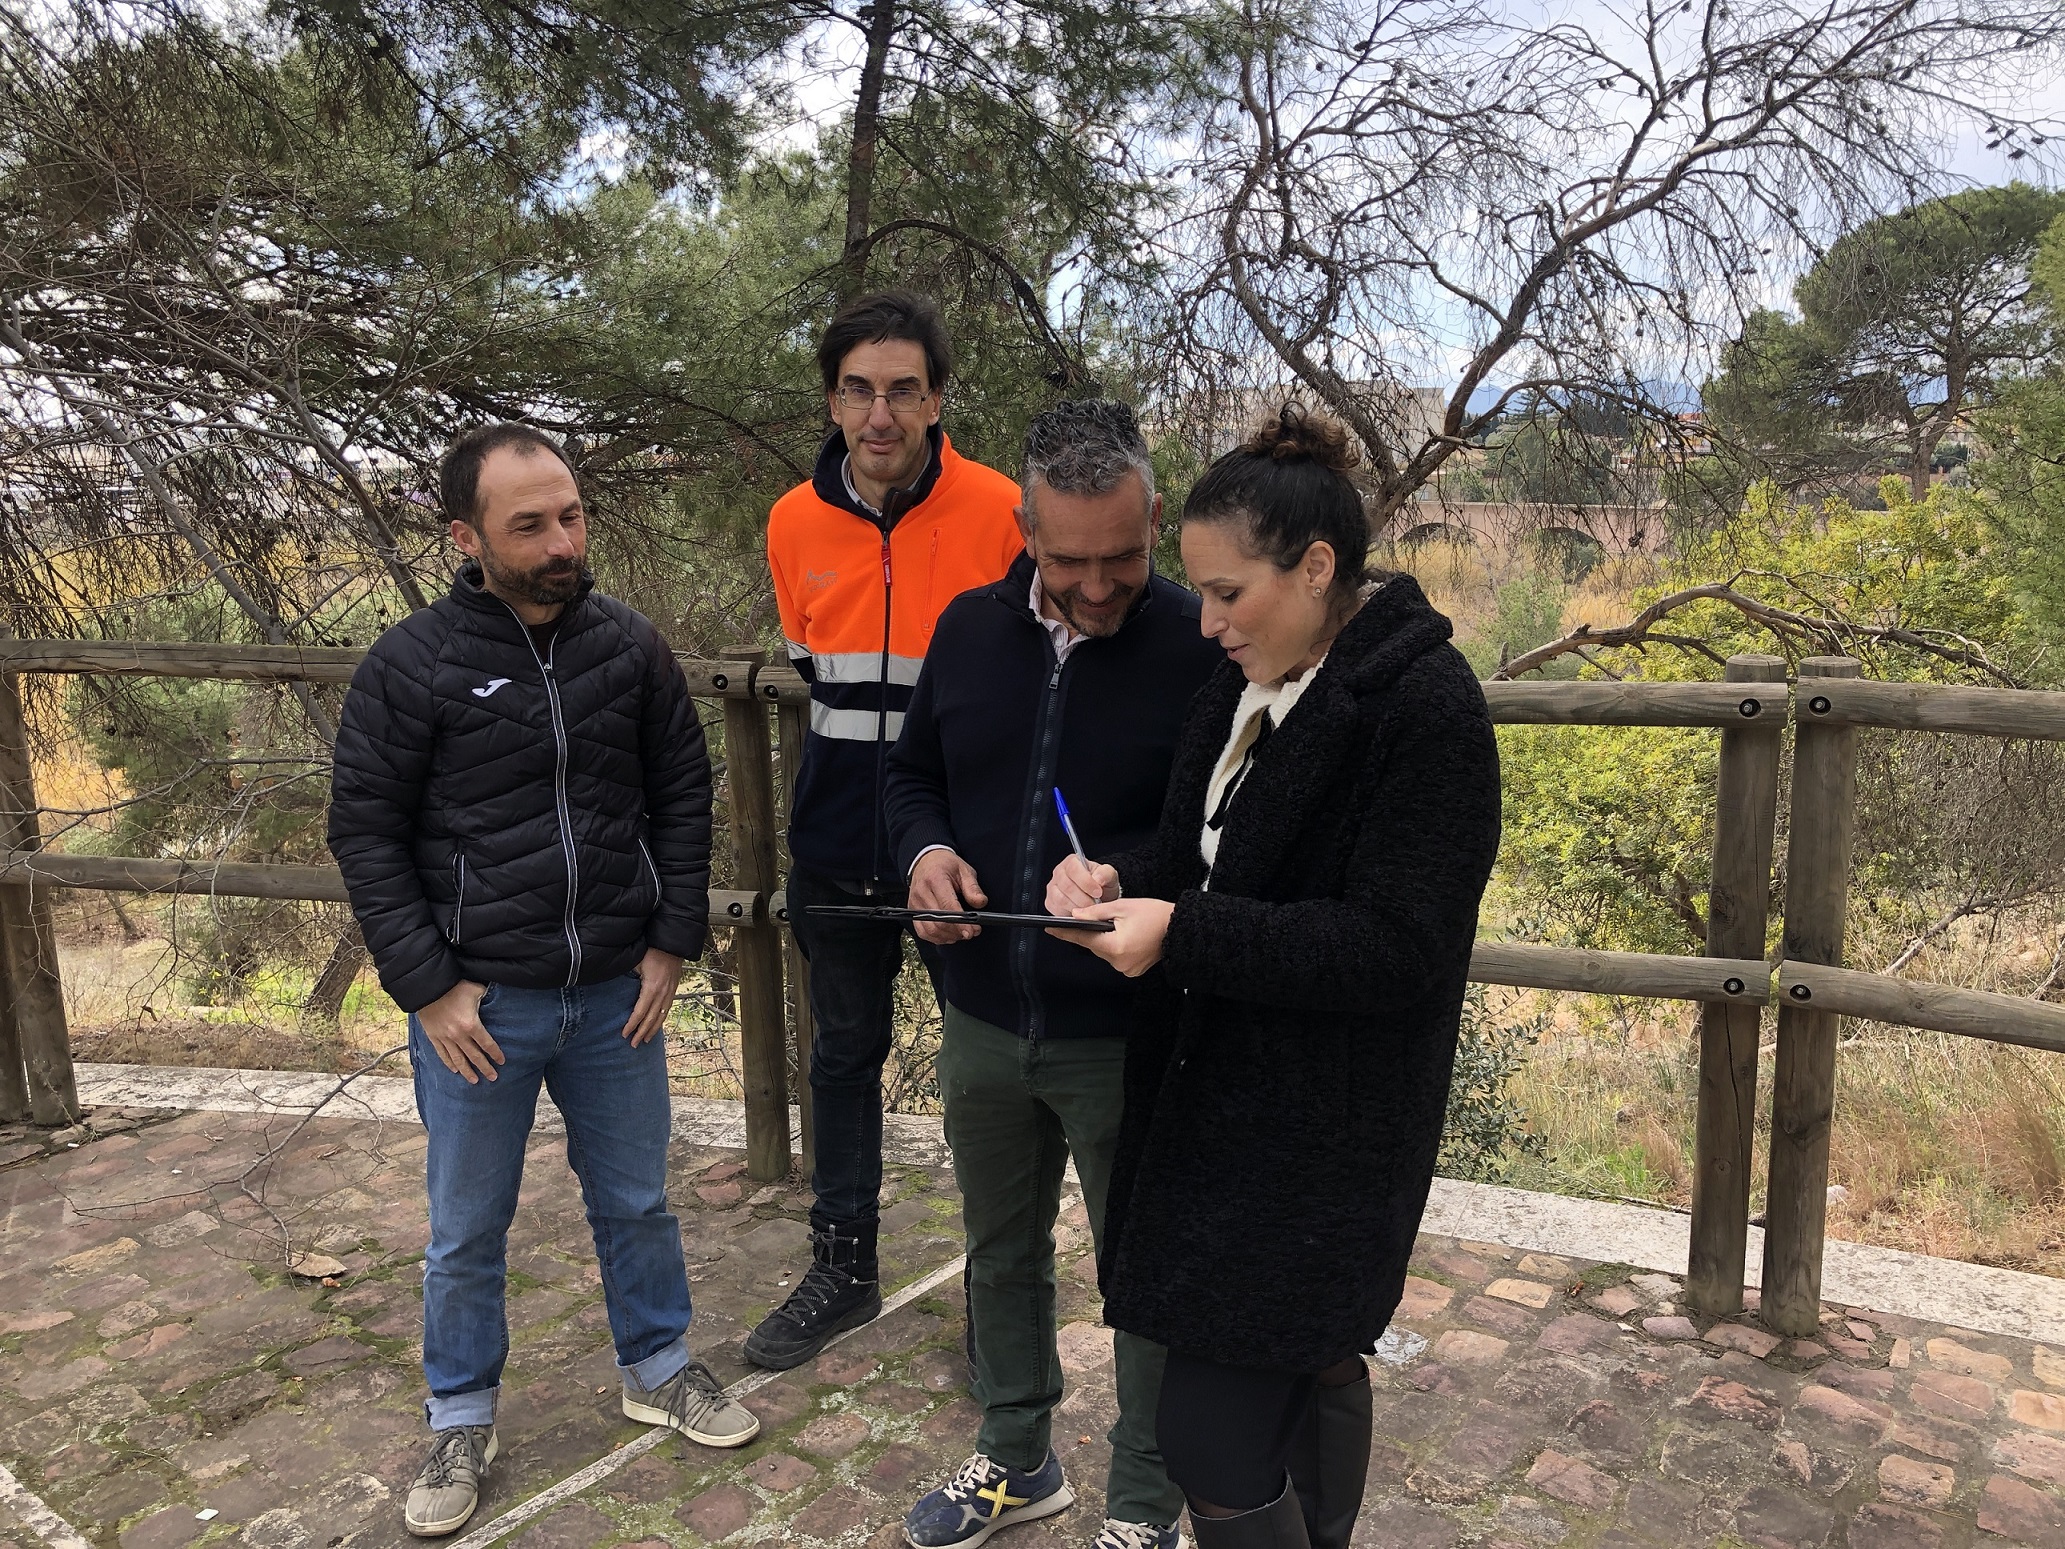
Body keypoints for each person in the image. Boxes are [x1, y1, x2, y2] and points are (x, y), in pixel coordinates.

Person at [1046, 405, 1501, 1549]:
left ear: (1315, 566)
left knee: (1206, 1436)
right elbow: (1200, 857)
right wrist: (1111, 879)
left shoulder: (1425, 710)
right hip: (1209, 1114)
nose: (1203, 624)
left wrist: (1182, 936)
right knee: (1292, 1384)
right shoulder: (1246, 681)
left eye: (1226, 592)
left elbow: (1395, 947)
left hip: (1322, 1139)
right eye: (1196, 592)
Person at [329, 423, 760, 1540]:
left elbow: (683, 792)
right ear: (468, 536)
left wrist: (671, 941)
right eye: (531, 523)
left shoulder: (630, 647)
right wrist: (427, 987)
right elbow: (366, 834)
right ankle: (461, 1413)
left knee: (637, 1199)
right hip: (480, 1006)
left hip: (617, 992)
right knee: (465, 1227)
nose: (563, 539)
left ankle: (658, 1365)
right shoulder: (410, 665)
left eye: (570, 513)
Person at [884, 400, 1223, 1549]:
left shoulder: (1199, 646)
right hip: (980, 1012)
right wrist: (926, 853)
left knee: (1142, 1275)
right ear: (1024, 525)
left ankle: (1143, 1506)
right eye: (1067, 557)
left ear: (1155, 520)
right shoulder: (966, 632)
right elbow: (913, 778)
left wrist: (1134, 875)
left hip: (1128, 1028)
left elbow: (1226, 837)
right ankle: (1017, 1455)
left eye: (1122, 555)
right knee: (998, 1252)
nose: (1095, 584)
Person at [749, 291, 1024, 1369]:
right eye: (859, 389)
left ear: (936, 398)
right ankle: (842, 1266)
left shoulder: (1002, 510)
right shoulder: (790, 522)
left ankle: (996, 1288)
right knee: (842, 1055)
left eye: (902, 389)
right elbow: (815, 668)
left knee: (986, 1069)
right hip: (832, 840)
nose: (880, 412)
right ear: (832, 398)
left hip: (964, 846)